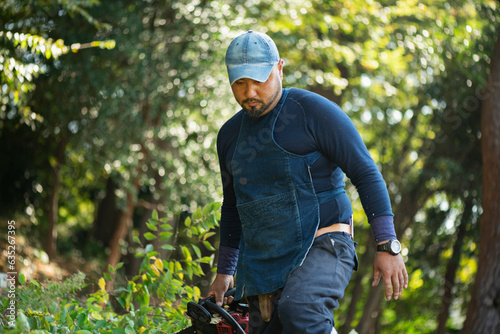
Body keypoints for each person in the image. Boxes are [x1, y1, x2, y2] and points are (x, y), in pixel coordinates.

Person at [207, 30, 408, 334]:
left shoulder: (312, 112)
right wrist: (225, 272)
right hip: (263, 261)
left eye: (259, 80)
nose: (249, 92)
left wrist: (387, 244)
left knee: (301, 309)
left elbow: (365, 173)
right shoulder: (229, 137)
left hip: (324, 243)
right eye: (240, 82)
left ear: (279, 69)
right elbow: (233, 206)